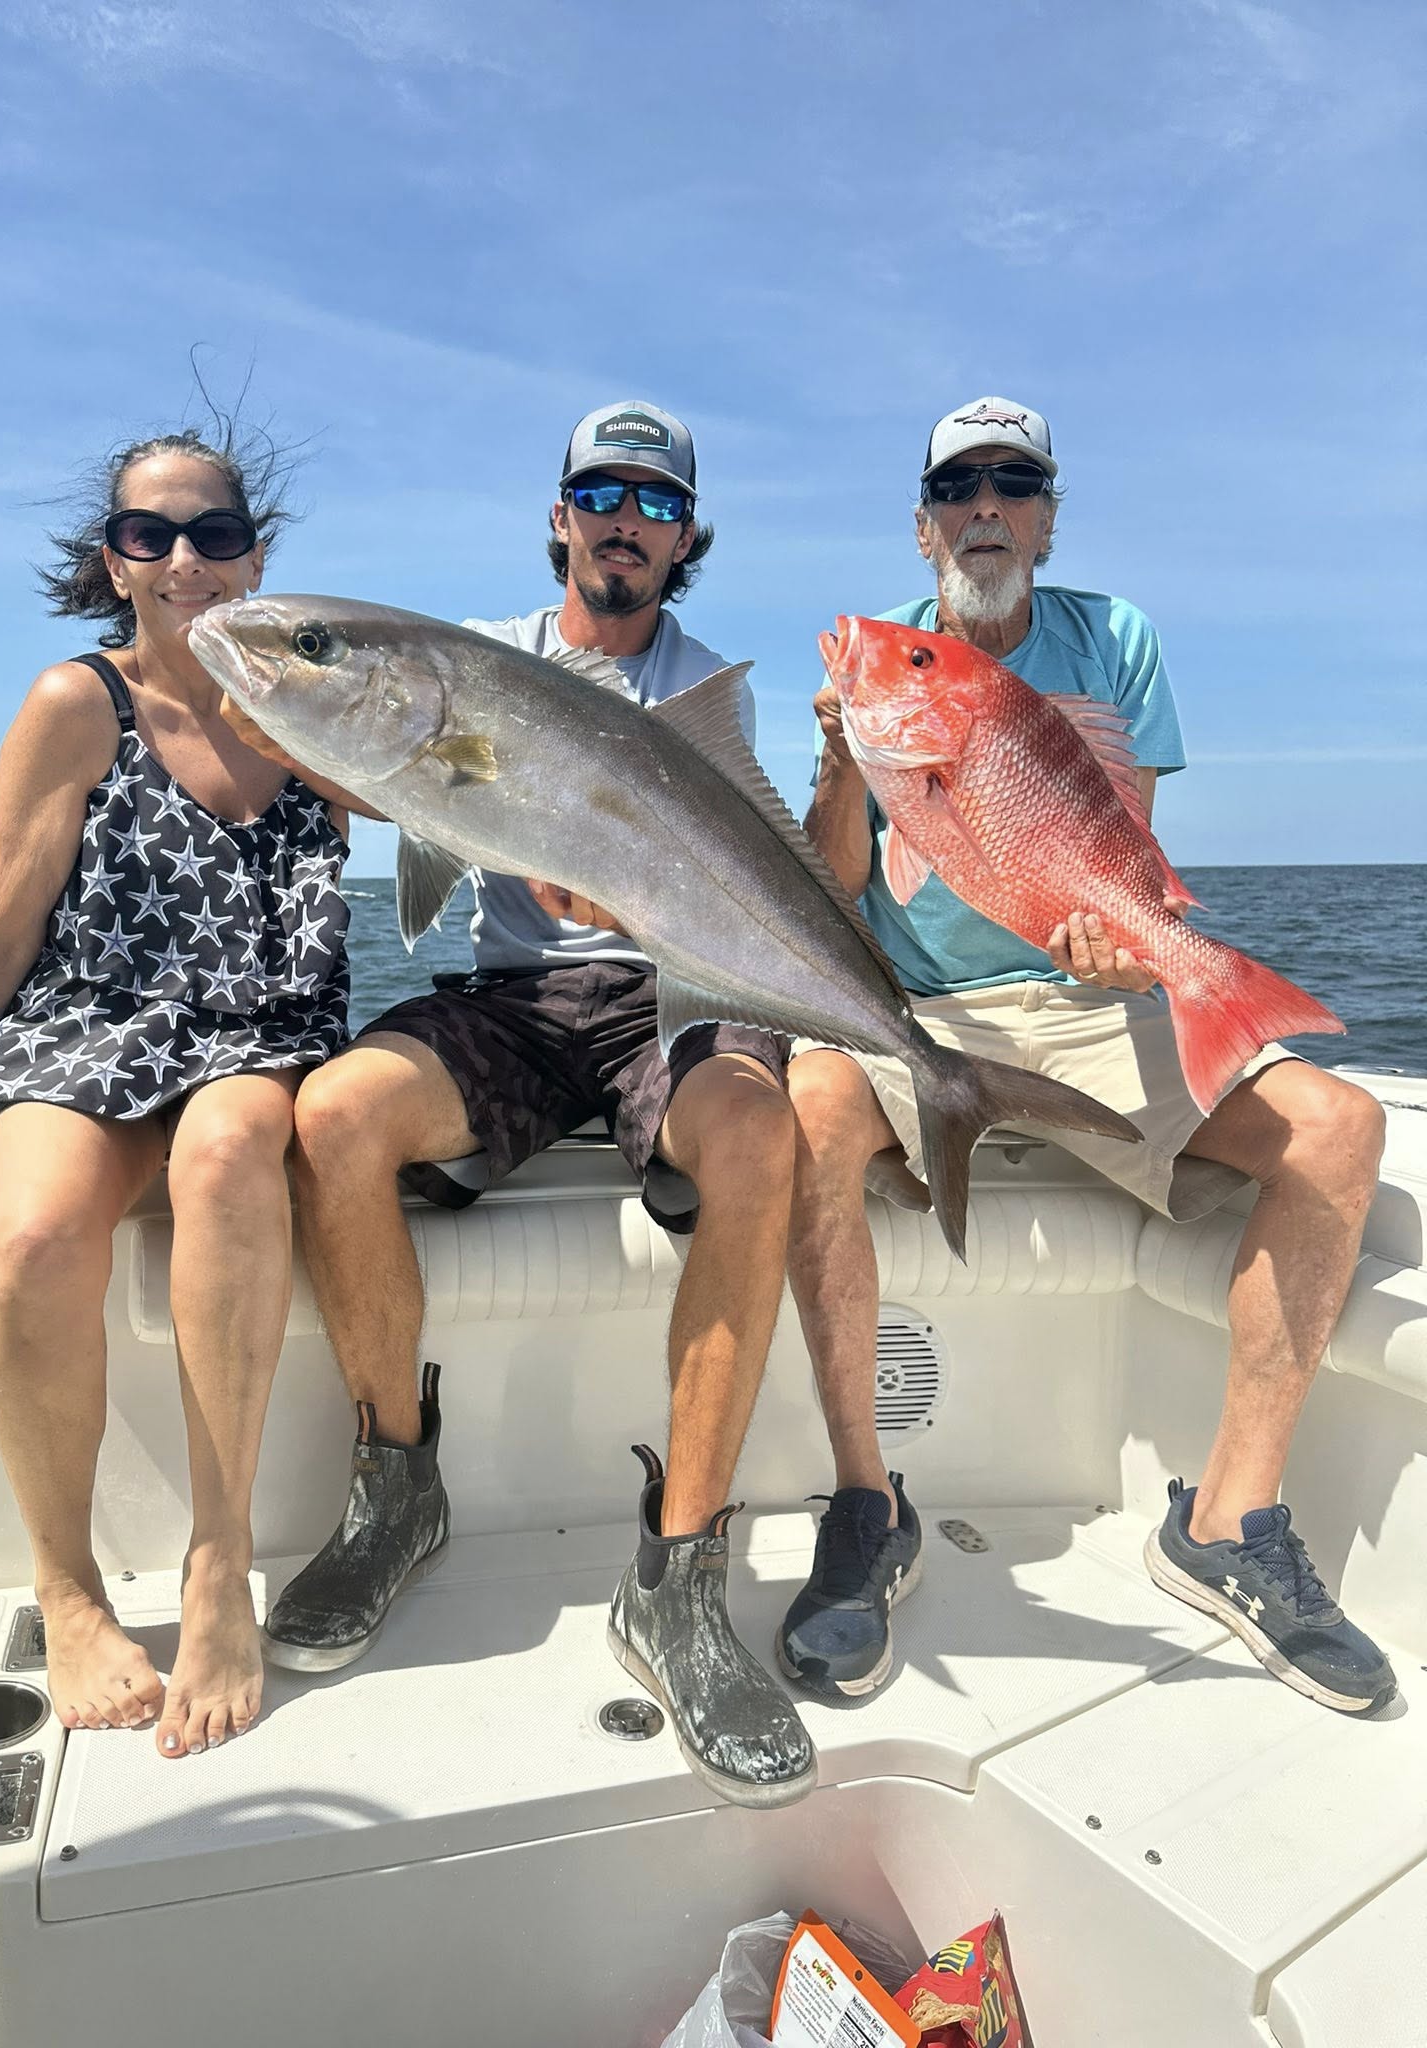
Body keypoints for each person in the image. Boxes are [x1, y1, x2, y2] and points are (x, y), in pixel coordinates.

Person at [781, 395, 1393, 1715]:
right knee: (806, 1104)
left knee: (1340, 1130)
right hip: (922, 1015)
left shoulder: (1116, 639)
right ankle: (866, 1505)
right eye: (958, 487)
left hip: (1087, 996)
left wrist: (1134, 949)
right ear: (925, 520)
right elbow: (837, 894)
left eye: (1013, 483)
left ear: (1049, 518)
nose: (984, 507)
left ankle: (1228, 1522)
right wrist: (846, 766)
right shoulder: (888, 671)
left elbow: (1116, 856)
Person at [241, 401, 816, 1807]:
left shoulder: (707, 694)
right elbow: (388, 758)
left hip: (671, 985)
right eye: (601, 493)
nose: (627, 520)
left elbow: (754, 884)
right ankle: (396, 1486)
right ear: (560, 515)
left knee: (756, 1135)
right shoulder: (478, 661)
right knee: (334, 1120)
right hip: (518, 1000)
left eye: (658, 504)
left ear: (685, 538)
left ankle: (677, 1577)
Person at [0, 425, 351, 1759]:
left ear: (254, 553)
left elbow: (467, 801)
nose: (186, 559)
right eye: (152, 534)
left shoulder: (315, 702)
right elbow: (4, 918)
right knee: (28, 1238)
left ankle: (219, 1565)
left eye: (213, 532)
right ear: (116, 561)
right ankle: (68, 1584)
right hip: (89, 1024)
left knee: (226, 1160)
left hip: (259, 1027)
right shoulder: (73, 704)